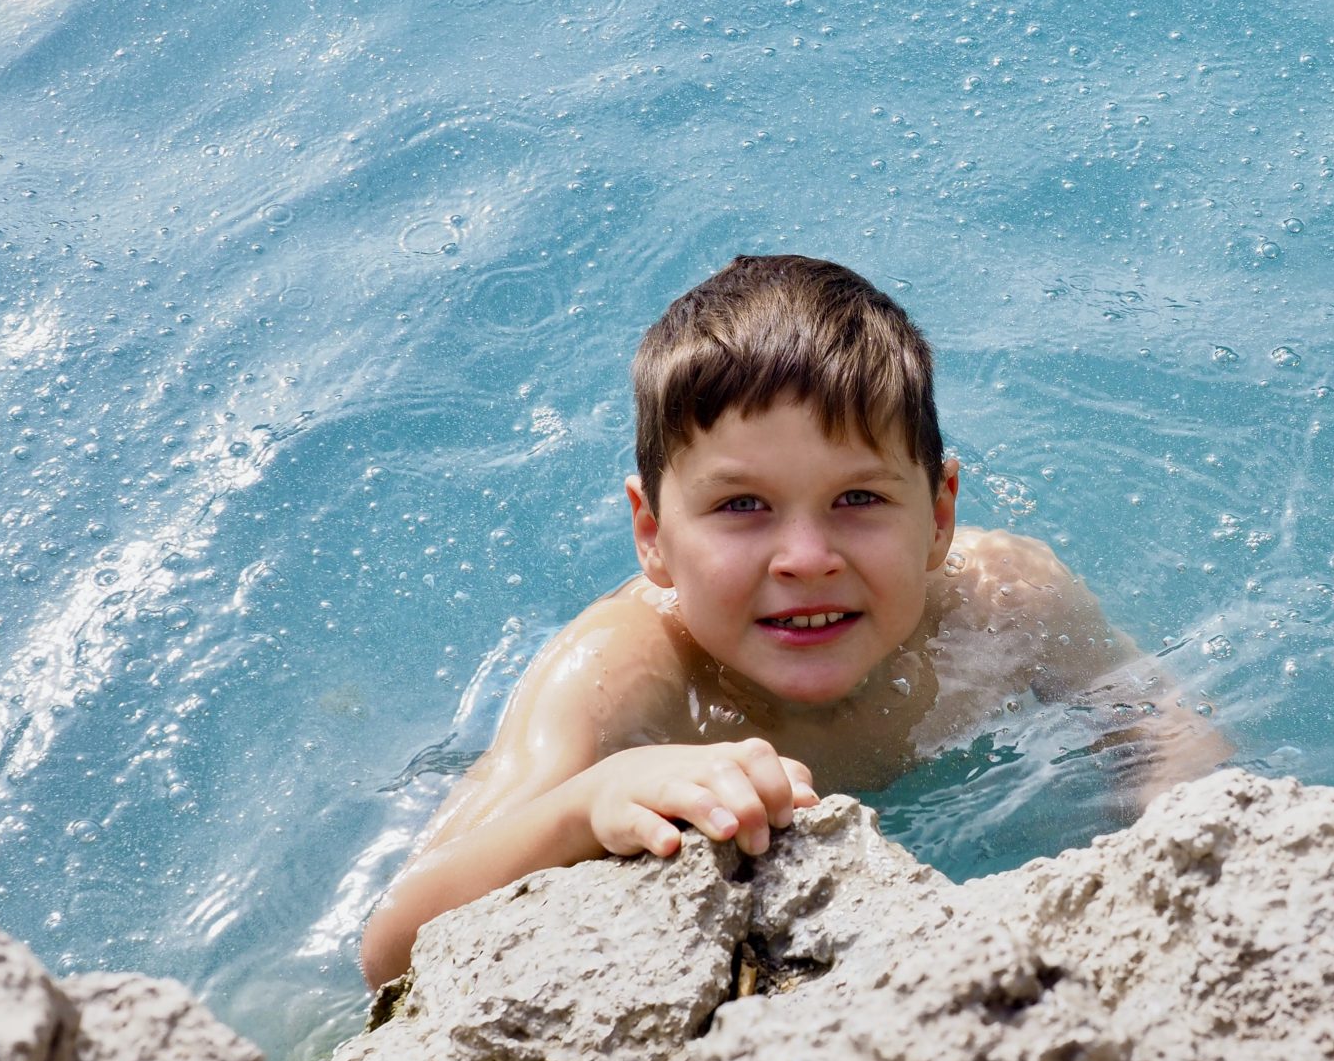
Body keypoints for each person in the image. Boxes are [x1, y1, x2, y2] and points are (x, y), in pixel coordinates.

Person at [357, 255, 1226, 985]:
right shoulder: (624, 675)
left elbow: (1166, 735)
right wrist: (587, 805)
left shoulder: (1005, 600)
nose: (806, 556)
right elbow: (391, 941)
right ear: (653, 536)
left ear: (938, 516)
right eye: (742, 505)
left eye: (858, 497)